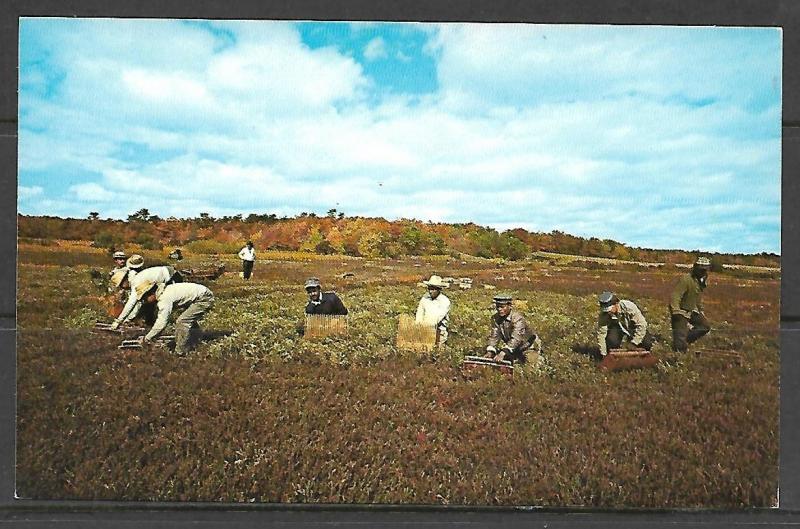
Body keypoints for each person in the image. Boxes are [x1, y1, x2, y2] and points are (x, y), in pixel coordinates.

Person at [137, 281, 215, 356]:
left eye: (145, 298)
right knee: (188, 319)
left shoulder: (164, 299)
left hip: (204, 298)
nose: (145, 301)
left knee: (182, 321)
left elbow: (161, 323)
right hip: (201, 294)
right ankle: (196, 340)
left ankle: (180, 352)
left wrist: (147, 339)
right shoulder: (165, 291)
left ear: (150, 294)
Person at [109, 255, 183, 329]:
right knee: (150, 301)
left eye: (121, 285)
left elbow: (131, 303)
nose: (122, 288)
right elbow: (138, 302)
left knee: (171, 301)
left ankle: (169, 325)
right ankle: (154, 324)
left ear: (124, 281)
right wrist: (128, 319)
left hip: (172, 277)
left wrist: (118, 321)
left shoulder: (136, 283)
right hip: (168, 275)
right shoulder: (136, 279)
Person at [670, 256, 712, 352]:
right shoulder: (686, 279)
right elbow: (676, 295)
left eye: (705, 270)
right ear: (696, 268)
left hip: (691, 310)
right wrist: (676, 311)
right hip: (680, 311)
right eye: (701, 270)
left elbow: (697, 297)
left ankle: (685, 340)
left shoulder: (700, 281)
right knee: (680, 348)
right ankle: (680, 345)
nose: (703, 273)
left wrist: (701, 310)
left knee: (705, 327)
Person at [485, 294, 541, 364]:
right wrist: (490, 351)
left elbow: (517, 338)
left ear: (510, 306)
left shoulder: (518, 318)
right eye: (498, 307)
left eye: (502, 307)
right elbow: (494, 336)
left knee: (530, 367)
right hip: (513, 349)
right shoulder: (495, 318)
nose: (499, 309)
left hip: (529, 348)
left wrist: (503, 352)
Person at [597, 291, 654, 357]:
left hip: (633, 327)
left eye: (610, 310)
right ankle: (614, 357)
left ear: (616, 304)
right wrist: (603, 353)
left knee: (647, 343)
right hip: (617, 328)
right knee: (611, 341)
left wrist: (634, 342)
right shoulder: (604, 314)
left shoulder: (629, 307)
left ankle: (641, 357)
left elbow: (642, 325)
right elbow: (601, 334)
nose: (609, 312)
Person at [415, 274, 451, 344]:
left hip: (438, 333)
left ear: (439, 289)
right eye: (429, 288)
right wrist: (418, 326)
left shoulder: (444, 301)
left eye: (433, 289)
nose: (431, 291)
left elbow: (436, 319)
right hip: (423, 330)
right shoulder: (425, 298)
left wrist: (426, 328)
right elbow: (420, 313)